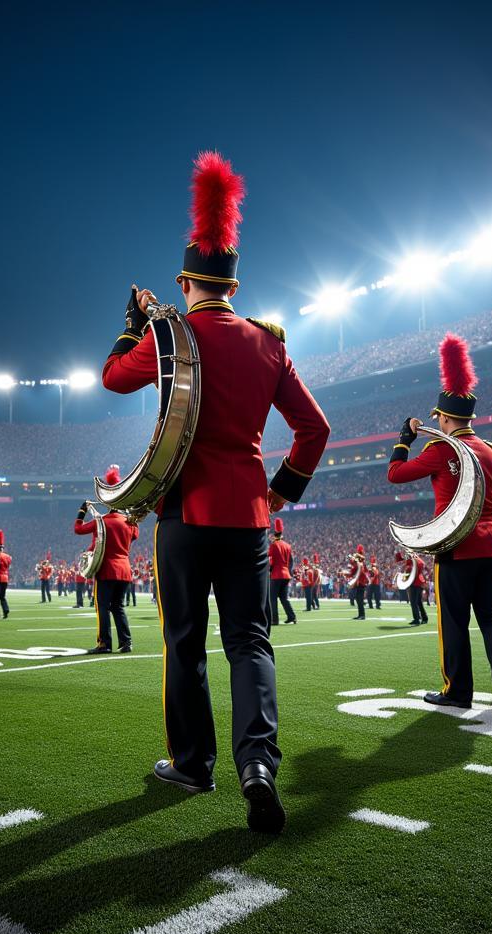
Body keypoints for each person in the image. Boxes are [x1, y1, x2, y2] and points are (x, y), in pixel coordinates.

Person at [102, 152, 329, 833]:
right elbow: (315, 429)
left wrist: (138, 325)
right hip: (249, 518)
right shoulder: (269, 343)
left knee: (184, 642)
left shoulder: (173, 337)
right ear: (233, 283)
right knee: (251, 644)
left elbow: (113, 377)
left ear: (183, 281)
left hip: (183, 515)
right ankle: (258, 765)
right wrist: (281, 492)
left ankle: (194, 765)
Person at [387, 334, 492, 719]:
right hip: (491, 547)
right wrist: (482, 526)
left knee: (454, 622)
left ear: (445, 418)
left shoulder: (441, 448)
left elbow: (395, 474)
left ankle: (458, 691)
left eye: (439, 419)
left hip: (455, 549)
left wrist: (404, 438)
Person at [74, 470, 139, 653]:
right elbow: (135, 535)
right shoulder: (129, 522)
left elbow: (78, 529)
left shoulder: (101, 521)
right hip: (125, 570)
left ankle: (104, 644)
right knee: (118, 606)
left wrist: (82, 511)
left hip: (107, 569)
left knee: (102, 606)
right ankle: (126, 643)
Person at [268, 517, 296, 625]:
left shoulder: (273, 545)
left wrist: (269, 571)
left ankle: (274, 620)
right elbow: (291, 561)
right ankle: (292, 617)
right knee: (284, 598)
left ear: (273, 535)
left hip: (276, 575)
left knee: (273, 598)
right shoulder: (287, 546)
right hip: (286, 574)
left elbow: (271, 562)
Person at [397, 551, 429, 624]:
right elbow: (423, 564)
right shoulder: (419, 561)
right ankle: (424, 618)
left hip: (414, 584)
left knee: (413, 602)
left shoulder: (410, 566)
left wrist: (402, 577)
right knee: (419, 602)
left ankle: (417, 619)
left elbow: (406, 577)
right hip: (420, 582)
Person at [347, 545, 369, 620]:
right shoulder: (358, 565)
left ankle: (362, 615)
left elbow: (361, 560)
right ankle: (360, 615)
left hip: (361, 583)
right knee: (358, 599)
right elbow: (351, 573)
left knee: (360, 599)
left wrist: (355, 557)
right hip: (358, 584)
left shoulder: (360, 565)